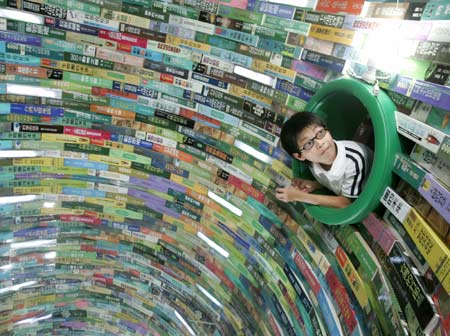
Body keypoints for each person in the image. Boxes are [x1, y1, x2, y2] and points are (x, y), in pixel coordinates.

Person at [275, 112, 373, 208]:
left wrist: (300, 196)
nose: (320, 143)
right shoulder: (314, 163)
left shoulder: (353, 160)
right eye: (308, 143)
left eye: (320, 133)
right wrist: (316, 185)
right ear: (300, 156)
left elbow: (347, 203)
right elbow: (335, 181)